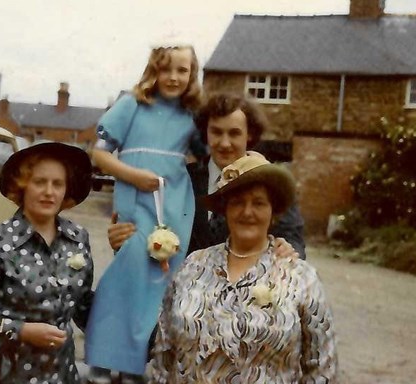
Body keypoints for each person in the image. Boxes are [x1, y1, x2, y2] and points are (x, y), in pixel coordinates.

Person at [149, 154, 338, 383]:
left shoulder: (301, 278)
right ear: (225, 209)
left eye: (258, 203)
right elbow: (163, 353)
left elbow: (322, 369)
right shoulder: (192, 266)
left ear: (273, 211)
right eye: (238, 202)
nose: (247, 212)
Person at [84, 44, 204, 383]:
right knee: (128, 273)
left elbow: (208, 154)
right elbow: (100, 155)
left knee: (160, 282)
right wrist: (133, 176)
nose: (174, 77)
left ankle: (135, 363)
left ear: (192, 74)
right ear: (153, 70)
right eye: (166, 69)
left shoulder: (191, 115)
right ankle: (104, 358)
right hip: (136, 200)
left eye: (182, 70)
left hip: (174, 205)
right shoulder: (133, 105)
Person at [0, 142, 94, 384]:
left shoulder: (77, 238)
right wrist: (21, 330)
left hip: (62, 375)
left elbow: (84, 307)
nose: (49, 191)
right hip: (6, 373)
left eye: (57, 184)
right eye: (40, 182)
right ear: (23, 186)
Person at [108, 92, 306, 258]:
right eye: (217, 132)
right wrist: (124, 243)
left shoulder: (270, 183)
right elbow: (151, 242)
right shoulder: (179, 181)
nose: (225, 143)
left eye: (234, 133)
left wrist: (288, 250)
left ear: (250, 134)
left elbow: (294, 242)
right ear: (205, 133)